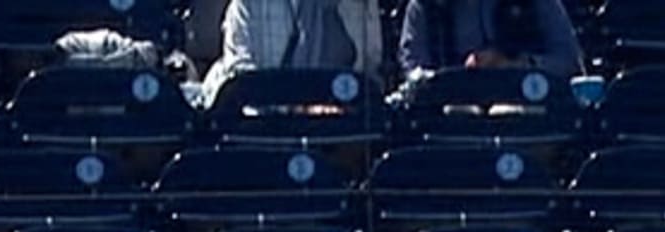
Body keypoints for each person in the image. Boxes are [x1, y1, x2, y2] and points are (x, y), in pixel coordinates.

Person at [202, 0, 385, 105]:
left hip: (333, 125)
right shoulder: (247, 4)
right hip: (267, 125)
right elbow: (241, 73)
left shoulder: (357, 5)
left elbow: (368, 68)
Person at [398, 0, 582, 78]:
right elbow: (414, 73)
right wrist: (455, 78)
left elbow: (568, 61)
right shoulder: (424, 7)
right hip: (452, 116)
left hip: (526, 103)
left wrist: (518, 63)